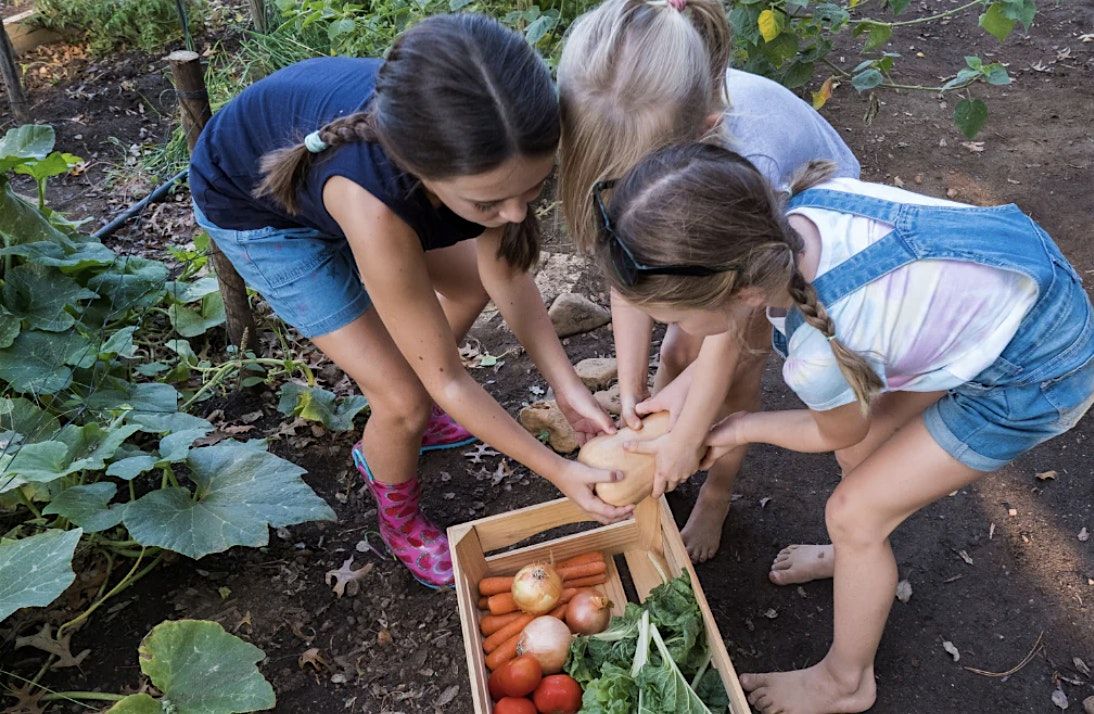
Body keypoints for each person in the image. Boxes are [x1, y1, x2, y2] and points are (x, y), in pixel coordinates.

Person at [595, 141, 1094, 714]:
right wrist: (676, 409)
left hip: (1034, 371)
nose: (673, 331)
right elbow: (733, 334)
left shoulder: (818, 350)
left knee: (853, 512)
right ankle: (852, 557)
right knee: (866, 470)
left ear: (740, 291)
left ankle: (845, 683)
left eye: (675, 319)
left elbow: (837, 431)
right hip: (1004, 288)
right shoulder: (792, 223)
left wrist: (736, 428)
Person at [188, 14, 631, 589]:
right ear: (423, 173)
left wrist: (568, 391)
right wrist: (558, 471)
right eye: (490, 203)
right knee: (402, 399)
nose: (518, 214)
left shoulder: (491, 144)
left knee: (467, 286)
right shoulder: (378, 206)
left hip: (340, 186)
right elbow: (450, 380)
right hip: (254, 208)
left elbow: (507, 281)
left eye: (534, 189)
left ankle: (410, 414)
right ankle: (399, 518)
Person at [557, 0, 860, 561]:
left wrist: (691, 432)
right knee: (676, 352)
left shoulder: (750, 165)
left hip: (789, 232)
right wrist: (631, 389)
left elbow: (731, 339)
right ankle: (667, 444)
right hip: (714, 242)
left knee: (735, 362)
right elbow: (628, 274)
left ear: (704, 134)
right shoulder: (627, 134)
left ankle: (717, 494)